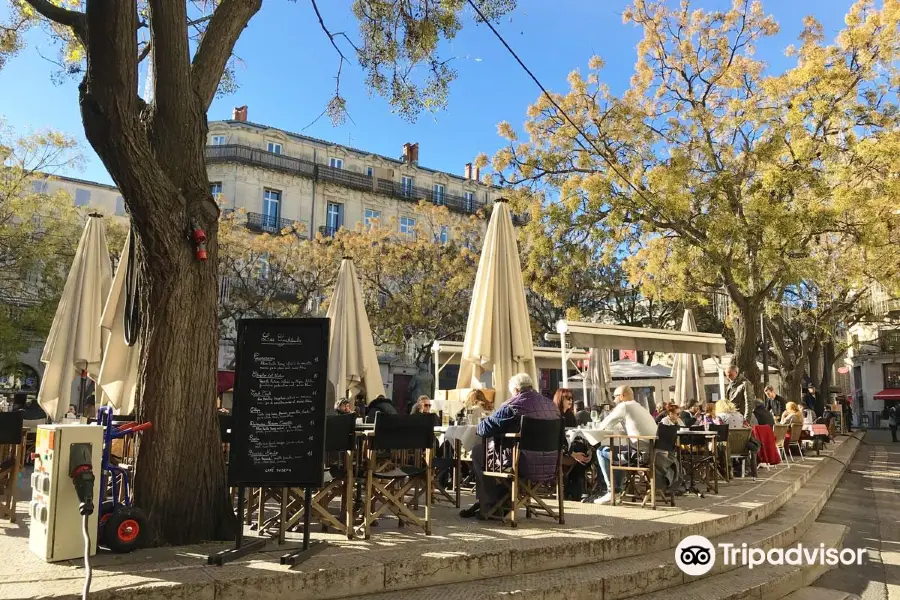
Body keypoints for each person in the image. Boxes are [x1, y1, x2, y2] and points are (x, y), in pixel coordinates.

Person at [461, 373, 559, 519]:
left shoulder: (513, 405)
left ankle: (488, 503)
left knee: (477, 452)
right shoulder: (551, 405)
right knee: (505, 461)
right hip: (550, 464)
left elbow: (483, 429)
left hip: (521, 462)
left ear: (516, 390)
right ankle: (499, 503)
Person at [592, 385, 658, 505]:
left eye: (615, 397)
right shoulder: (640, 407)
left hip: (638, 456)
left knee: (601, 451)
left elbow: (603, 425)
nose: (613, 400)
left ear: (622, 396)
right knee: (616, 451)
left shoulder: (624, 406)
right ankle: (617, 490)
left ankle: (612, 492)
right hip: (653, 453)